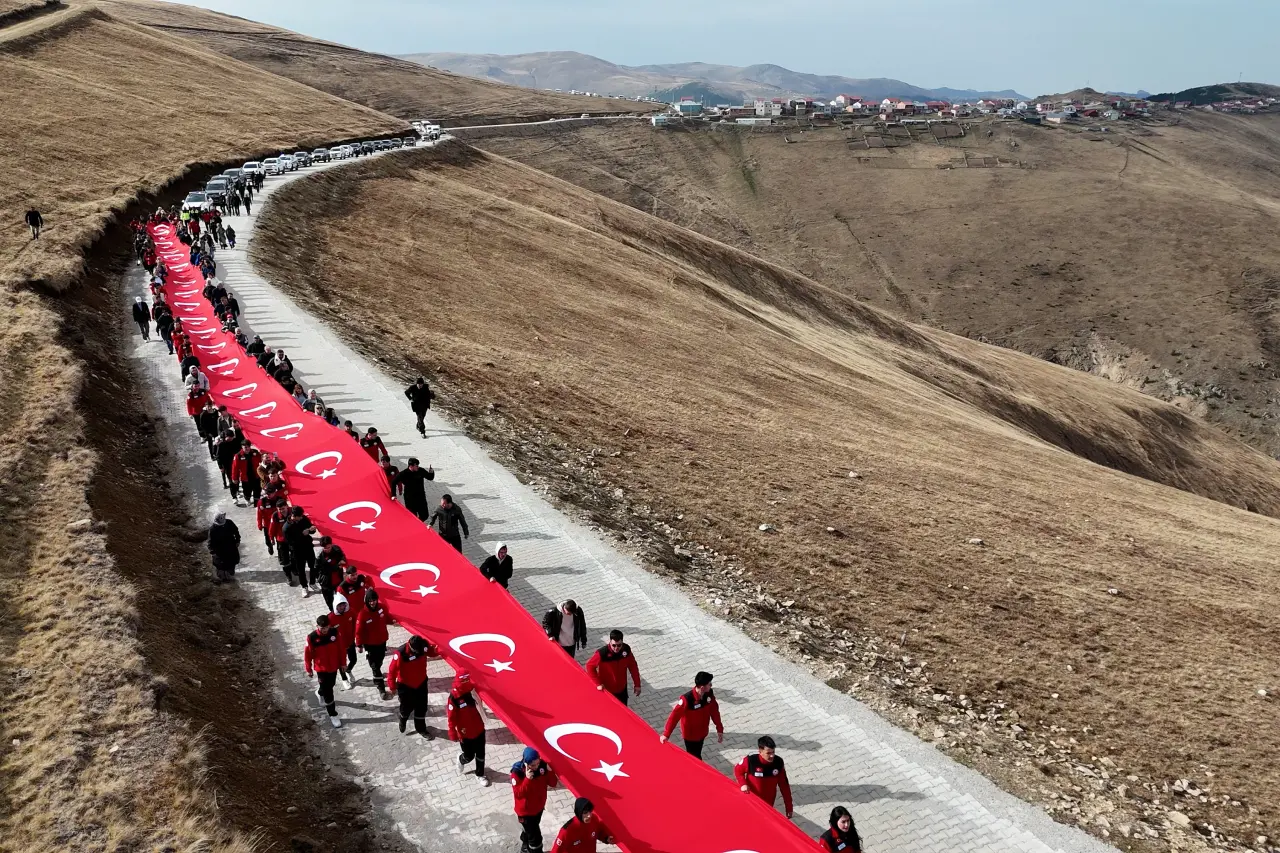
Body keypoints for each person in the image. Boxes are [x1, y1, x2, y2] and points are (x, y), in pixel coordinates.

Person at [660, 670, 724, 759]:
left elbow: (714, 712)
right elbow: (674, 717)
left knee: (697, 753)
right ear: (702, 688)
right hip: (690, 737)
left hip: (702, 733)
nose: (711, 685)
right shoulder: (686, 700)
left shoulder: (709, 695)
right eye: (709, 684)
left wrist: (719, 728)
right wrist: (666, 734)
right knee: (695, 757)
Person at [387, 635, 438, 738]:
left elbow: (432, 653)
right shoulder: (400, 653)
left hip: (421, 683)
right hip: (406, 686)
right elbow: (392, 671)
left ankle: (421, 729)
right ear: (411, 647)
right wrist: (392, 687)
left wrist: (439, 649)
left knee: (421, 708)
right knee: (406, 708)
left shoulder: (423, 646)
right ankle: (403, 719)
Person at [510, 747, 558, 853]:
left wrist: (550, 771)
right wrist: (527, 779)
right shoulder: (517, 772)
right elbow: (518, 794)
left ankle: (525, 845)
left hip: (538, 808)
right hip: (526, 812)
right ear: (526, 763)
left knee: (529, 830)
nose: (536, 767)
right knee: (536, 840)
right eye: (533, 765)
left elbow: (553, 783)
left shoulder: (542, 767)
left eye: (537, 763)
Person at [446, 671, 489, 786]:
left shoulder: (472, 690)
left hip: (479, 728)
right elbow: (451, 717)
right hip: (465, 733)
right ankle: (461, 759)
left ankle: (480, 774)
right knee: (469, 756)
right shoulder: (454, 697)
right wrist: (452, 731)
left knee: (481, 753)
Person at [734, 735, 793, 819]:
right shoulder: (750, 761)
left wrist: (789, 808)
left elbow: (784, 786)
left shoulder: (778, 763)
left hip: (768, 804)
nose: (772, 756)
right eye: (768, 753)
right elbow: (737, 771)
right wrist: (743, 784)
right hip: (751, 801)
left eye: (773, 752)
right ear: (760, 751)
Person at [303, 614, 345, 728]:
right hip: (321, 669)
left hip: (333, 667)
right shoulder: (312, 638)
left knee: (330, 685)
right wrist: (309, 669)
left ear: (329, 626)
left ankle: (319, 692)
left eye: (326, 627)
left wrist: (343, 663)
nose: (324, 630)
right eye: (322, 628)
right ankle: (333, 714)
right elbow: (307, 655)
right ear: (317, 626)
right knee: (328, 692)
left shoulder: (334, 633)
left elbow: (341, 649)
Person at [585, 629, 641, 705]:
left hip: (622, 690)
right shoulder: (602, 653)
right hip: (607, 691)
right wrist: (598, 683)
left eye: (619, 645)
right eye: (614, 645)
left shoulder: (626, 651)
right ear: (610, 642)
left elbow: (633, 666)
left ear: (622, 642)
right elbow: (589, 666)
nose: (616, 648)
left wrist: (637, 684)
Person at [355, 589, 392, 698]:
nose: (372, 602)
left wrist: (393, 621)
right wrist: (359, 645)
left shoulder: (381, 607)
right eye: (370, 600)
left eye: (374, 600)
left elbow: (387, 617)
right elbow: (358, 632)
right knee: (375, 667)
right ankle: (381, 689)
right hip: (370, 645)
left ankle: (377, 677)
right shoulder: (362, 615)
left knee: (379, 662)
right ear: (366, 601)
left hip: (382, 641)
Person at [282, 506, 317, 594]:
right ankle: (304, 587)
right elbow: (289, 542)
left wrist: (311, 530)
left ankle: (312, 583)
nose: (301, 517)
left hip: (308, 546)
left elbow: (310, 529)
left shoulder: (303, 518)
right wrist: (302, 534)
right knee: (301, 570)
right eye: (300, 516)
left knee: (313, 566)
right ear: (294, 516)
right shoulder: (286, 527)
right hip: (297, 551)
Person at [330, 596, 358, 690]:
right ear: (335, 606)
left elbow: (356, 623)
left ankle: (348, 670)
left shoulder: (351, 612)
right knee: (341, 664)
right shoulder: (331, 618)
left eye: (343, 605)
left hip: (350, 642)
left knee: (353, 660)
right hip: (339, 647)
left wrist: (356, 637)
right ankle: (344, 679)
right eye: (339, 606)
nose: (342, 608)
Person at [207, 509, 241, 583]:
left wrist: (238, 540)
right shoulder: (213, 530)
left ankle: (231, 575)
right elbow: (210, 543)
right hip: (220, 550)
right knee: (221, 565)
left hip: (231, 546)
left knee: (233, 562)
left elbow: (236, 531)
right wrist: (213, 553)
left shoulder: (229, 523)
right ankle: (222, 578)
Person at [315, 537, 346, 606]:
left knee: (341, 598)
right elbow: (320, 569)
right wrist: (337, 567)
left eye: (329, 547)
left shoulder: (336, 549)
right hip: (326, 582)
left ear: (331, 544)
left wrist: (343, 560)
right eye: (325, 548)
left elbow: (342, 556)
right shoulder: (319, 556)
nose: (327, 550)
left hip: (338, 580)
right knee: (329, 600)